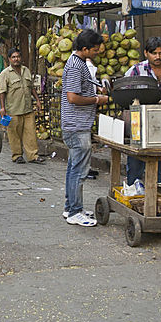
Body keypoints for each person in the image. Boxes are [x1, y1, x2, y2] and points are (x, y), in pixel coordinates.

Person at [62, 30, 109, 226]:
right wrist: (97, 99)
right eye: (95, 50)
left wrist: (96, 88)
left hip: (78, 124)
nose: (97, 53)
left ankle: (71, 207)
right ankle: (74, 212)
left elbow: (81, 86)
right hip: (76, 125)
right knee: (79, 171)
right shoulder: (74, 66)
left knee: (74, 168)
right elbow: (72, 97)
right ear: (84, 49)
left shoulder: (79, 63)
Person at [123, 36, 161, 185]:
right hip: (140, 120)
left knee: (159, 156)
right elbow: (125, 92)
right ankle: (134, 186)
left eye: (160, 53)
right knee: (136, 157)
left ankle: (158, 186)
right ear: (146, 53)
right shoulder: (137, 70)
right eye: (154, 53)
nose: (158, 57)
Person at [0, 48, 43, 164]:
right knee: (14, 134)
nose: (16, 59)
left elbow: (31, 87)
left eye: (17, 56)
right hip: (13, 109)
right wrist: (2, 108)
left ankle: (33, 155)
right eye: (13, 57)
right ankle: (17, 155)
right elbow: (2, 92)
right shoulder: (5, 74)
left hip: (27, 108)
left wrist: (37, 100)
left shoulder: (26, 70)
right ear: (9, 59)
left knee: (31, 133)